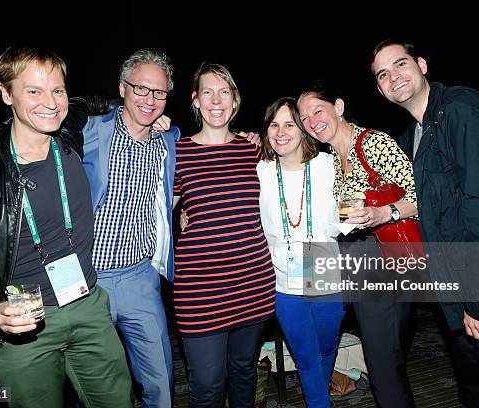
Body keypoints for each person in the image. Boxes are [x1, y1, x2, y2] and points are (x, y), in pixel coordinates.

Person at [0, 48, 179, 408]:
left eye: (57, 90)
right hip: (27, 316)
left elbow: (82, 102)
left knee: (132, 393)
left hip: (97, 296)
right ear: (7, 94)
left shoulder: (71, 136)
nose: (50, 102)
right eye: (33, 91)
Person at [371, 38, 479, 407]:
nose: (393, 77)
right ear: (379, 89)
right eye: (382, 74)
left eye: (400, 64)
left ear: (422, 64)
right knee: (475, 394)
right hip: (459, 295)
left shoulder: (461, 109)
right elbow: (431, 207)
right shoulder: (412, 137)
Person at [297, 80, 418, 408]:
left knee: (382, 363)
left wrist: (385, 213)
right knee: (382, 357)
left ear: (338, 106)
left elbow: (422, 195)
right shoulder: (331, 157)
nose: (311, 122)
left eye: (317, 111)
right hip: (355, 259)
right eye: (304, 118)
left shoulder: (373, 142)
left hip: (387, 259)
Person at [173, 62, 276, 408]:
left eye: (224, 92)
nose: (216, 100)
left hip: (252, 283)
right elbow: (155, 209)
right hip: (200, 291)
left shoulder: (254, 150)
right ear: (196, 101)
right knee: (207, 383)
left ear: (235, 101)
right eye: (208, 92)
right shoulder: (177, 153)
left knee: (244, 370)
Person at [257, 97, 345, 407]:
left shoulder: (328, 164)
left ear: (303, 128)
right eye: (274, 125)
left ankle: (319, 397)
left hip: (324, 268)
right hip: (282, 278)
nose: (281, 133)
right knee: (307, 357)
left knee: (326, 347)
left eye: (289, 125)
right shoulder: (260, 170)